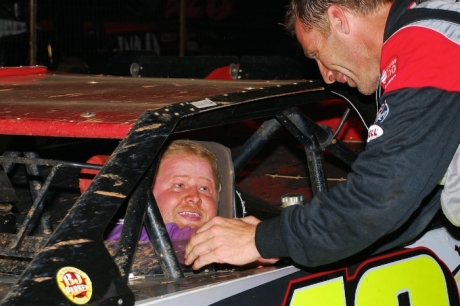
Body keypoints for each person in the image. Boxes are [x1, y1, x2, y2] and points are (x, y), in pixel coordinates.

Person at [185, 0, 460, 269]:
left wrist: (261, 240)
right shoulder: (435, 23)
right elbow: (412, 208)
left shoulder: (428, 45)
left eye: (317, 53)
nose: (326, 76)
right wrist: (281, 243)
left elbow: (382, 197)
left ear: (339, 19)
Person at [80, 139, 220, 242]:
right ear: (143, 194)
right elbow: (174, 237)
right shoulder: (118, 235)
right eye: (179, 185)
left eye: (204, 188)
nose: (195, 197)